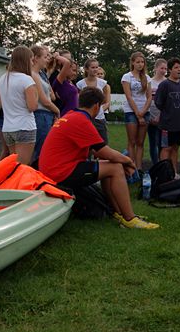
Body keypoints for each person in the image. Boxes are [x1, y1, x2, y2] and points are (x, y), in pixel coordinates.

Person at [40, 87, 159, 230]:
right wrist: (128, 161)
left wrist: (120, 160)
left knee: (111, 165)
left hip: (52, 171)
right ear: (97, 106)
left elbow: (96, 152)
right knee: (114, 167)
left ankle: (118, 212)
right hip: (59, 174)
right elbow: (104, 152)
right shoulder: (81, 120)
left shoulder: (72, 115)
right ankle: (130, 218)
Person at [0, 46, 38, 164]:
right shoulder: (27, 80)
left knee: (13, 164)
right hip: (25, 126)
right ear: (25, 60)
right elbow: (32, 106)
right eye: (31, 59)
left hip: (8, 128)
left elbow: (0, 104)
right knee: (22, 167)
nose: (32, 62)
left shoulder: (3, 78)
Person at [121, 51, 152, 181]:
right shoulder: (127, 77)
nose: (140, 64)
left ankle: (139, 169)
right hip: (131, 112)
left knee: (140, 142)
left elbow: (149, 97)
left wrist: (143, 112)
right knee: (132, 141)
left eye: (142, 62)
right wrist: (137, 114)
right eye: (138, 62)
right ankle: (131, 168)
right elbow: (129, 96)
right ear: (133, 62)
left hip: (144, 112)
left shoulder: (147, 77)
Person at [153, 57, 180, 174]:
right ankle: (164, 173)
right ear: (170, 70)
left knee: (175, 148)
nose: (179, 70)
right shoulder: (164, 85)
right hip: (167, 124)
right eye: (176, 68)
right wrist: (167, 112)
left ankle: (174, 172)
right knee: (166, 148)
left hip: (179, 124)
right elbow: (158, 102)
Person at [31, 45, 61, 168]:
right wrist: (57, 111)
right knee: (39, 150)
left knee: (43, 149)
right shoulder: (33, 74)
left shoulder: (40, 74)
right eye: (44, 57)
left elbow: (51, 96)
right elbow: (45, 100)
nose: (47, 59)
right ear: (36, 58)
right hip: (41, 115)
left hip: (45, 115)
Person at [77, 58, 111, 143]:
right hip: (85, 118)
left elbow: (107, 102)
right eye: (93, 67)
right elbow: (79, 103)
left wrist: (99, 110)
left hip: (99, 118)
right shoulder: (80, 84)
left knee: (102, 144)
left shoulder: (103, 83)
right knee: (87, 145)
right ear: (86, 69)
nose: (95, 69)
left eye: (97, 67)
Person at [147, 58, 167, 166]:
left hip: (162, 117)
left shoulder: (167, 82)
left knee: (162, 143)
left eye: (165, 68)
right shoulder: (149, 81)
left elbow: (167, 102)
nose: (163, 70)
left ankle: (162, 165)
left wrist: (160, 116)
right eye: (161, 68)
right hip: (150, 116)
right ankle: (155, 165)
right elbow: (146, 99)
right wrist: (149, 116)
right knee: (152, 142)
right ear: (155, 68)